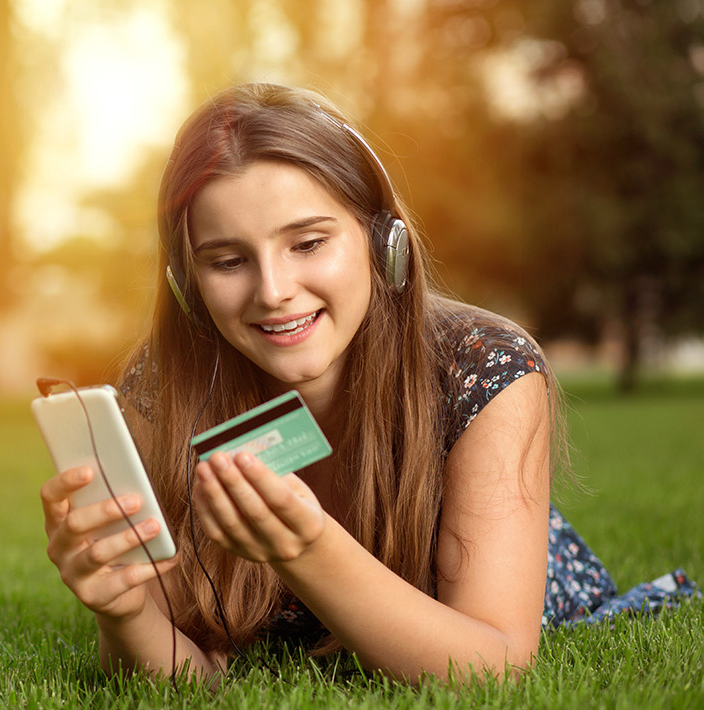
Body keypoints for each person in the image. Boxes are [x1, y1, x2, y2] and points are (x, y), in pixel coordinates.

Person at [38, 83, 696, 684]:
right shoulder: (165, 387)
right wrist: (125, 612)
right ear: (188, 286)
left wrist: (307, 547)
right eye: (229, 260)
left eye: (308, 243)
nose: (273, 292)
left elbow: (493, 668)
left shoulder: (488, 367)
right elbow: (194, 672)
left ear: (385, 243)